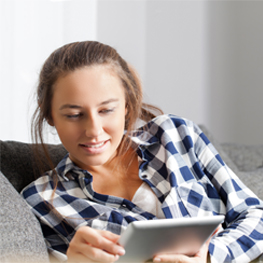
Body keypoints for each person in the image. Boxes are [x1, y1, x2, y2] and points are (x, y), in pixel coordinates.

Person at [21, 41, 263, 263]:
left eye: (106, 110)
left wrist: (210, 256)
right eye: (74, 115)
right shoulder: (42, 201)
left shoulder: (175, 135)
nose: (94, 131)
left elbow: (255, 215)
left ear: (126, 105)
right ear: (50, 114)